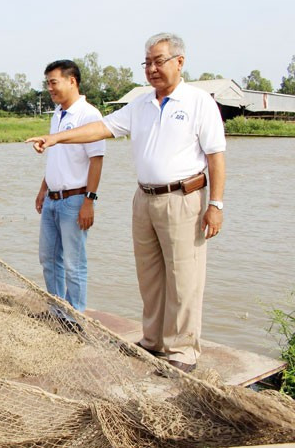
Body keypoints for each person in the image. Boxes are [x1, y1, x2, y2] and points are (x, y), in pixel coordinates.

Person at [27, 33, 226, 373]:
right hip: (144, 198)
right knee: (149, 274)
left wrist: (216, 204)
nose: (151, 69)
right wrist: (57, 137)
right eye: (147, 62)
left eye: (158, 61)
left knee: (183, 275)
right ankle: (153, 341)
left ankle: (182, 350)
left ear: (179, 62)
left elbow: (216, 156)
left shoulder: (198, 102)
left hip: (184, 197)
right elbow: (100, 129)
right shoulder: (141, 104)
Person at [35, 60, 104, 313]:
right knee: (49, 259)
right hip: (53, 198)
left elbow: (96, 161)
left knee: (74, 263)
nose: (50, 89)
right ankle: (57, 311)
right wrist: (44, 189)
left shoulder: (88, 115)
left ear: (71, 81)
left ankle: (75, 316)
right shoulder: (58, 113)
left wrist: (89, 201)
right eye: (48, 84)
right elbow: (56, 157)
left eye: (54, 82)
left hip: (74, 199)